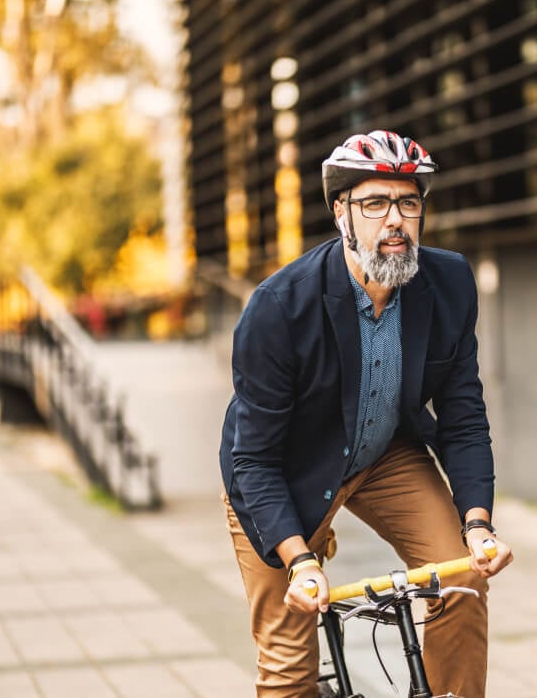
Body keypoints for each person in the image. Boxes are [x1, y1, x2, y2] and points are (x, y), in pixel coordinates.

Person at [219, 130, 513, 697]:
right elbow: (254, 459)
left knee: (462, 581)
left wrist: (478, 525)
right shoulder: (279, 307)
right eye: (375, 203)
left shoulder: (450, 283)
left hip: (383, 454)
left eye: (408, 202)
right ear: (342, 213)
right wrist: (300, 561)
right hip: (284, 470)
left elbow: (463, 418)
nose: (395, 220)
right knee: (288, 663)